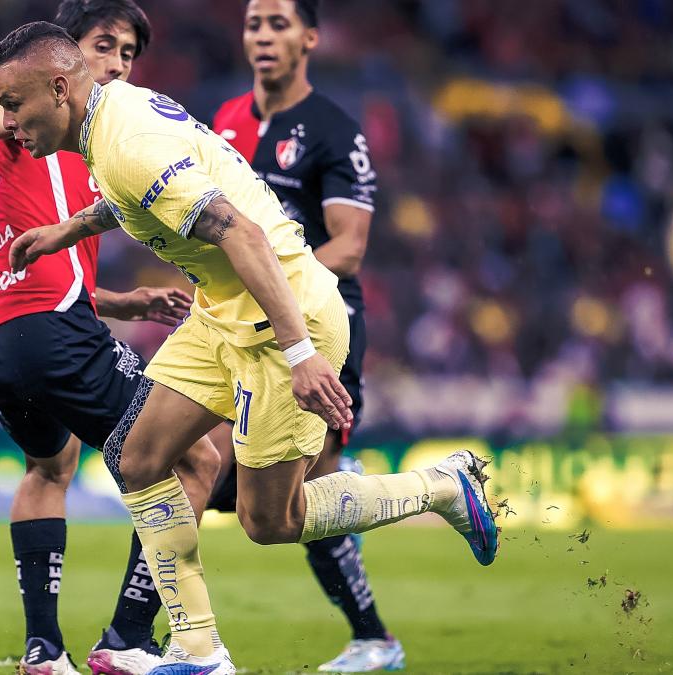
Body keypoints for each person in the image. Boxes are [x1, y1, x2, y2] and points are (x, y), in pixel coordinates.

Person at [0, 22, 499, 674]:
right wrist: (66, 230)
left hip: (283, 318)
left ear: (59, 89)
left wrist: (301, 354)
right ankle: (200, 650)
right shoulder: (113, 112)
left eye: (12, 103)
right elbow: (136, 200)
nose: (7, 121)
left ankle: (441, 487)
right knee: (137, 454)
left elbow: (244, 238)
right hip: (225, 312)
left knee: (271, 519)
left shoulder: (126, 146)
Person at [0, 3, 220, 673]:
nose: (116, 64)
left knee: (49, 468)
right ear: (62, 61)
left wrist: (124, 300)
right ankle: (129, 638)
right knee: (197, 460)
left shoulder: (94, 145)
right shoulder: (32, 107)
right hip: (50, 329)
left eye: (129, 54)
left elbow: (46, 262)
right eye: (104, 47)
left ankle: (42, 650)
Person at [207, 1, 400, 670]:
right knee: (200, 469)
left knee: (297, 502)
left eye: (279, 24)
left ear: (309, 38)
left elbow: (349, 244)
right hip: (237, 330)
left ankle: (374, 635)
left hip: (320, 331)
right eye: (254, 23)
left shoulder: (333, 131)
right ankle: (163, 639)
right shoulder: (225, 121)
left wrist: (277, 287)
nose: (263, 35)